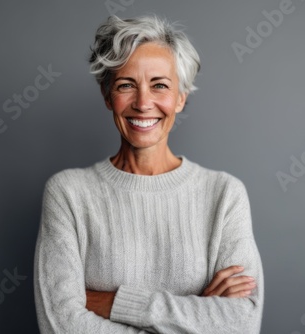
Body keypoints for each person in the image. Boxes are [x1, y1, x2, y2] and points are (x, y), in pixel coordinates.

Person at [34, 14, 264, 333]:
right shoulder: (68, 193)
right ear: (106, 96)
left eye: (160, 85)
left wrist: (114, 302)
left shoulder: (224, 194)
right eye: (126, 85)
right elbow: (59, 323)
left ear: (180, 97)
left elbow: (243, 323)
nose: (144, 103)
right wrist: (197, 314)